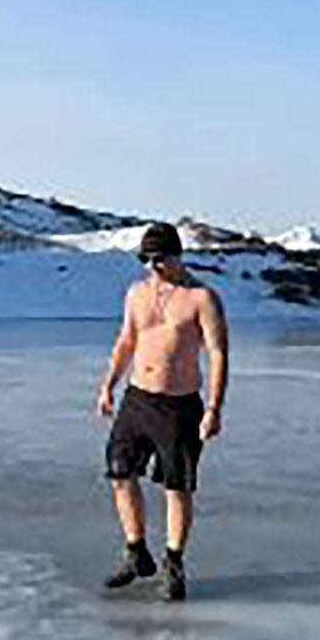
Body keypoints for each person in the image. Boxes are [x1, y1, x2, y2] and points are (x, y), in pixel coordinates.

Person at [96, 221, 228, 601]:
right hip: (137, 398)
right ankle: (136, 553)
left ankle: (173, 563)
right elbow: (126, 340)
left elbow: (218, 354)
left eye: (160, 258)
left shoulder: (202, 298)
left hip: (180, 405)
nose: (153, 266)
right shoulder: (137, 293)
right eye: (146, 259)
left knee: (177, 487)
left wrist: (215, 408)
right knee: (120, 474)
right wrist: (109, 384)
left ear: (177, 255)